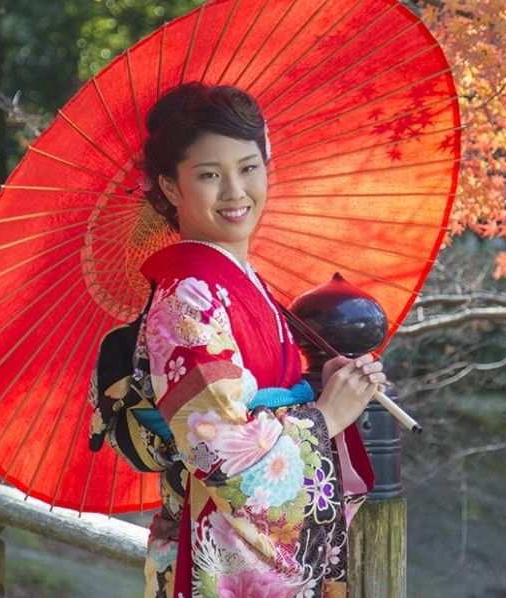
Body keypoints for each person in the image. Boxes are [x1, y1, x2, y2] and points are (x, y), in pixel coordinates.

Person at [133, 82, 384, 597]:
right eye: (208, 175)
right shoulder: (187, 300)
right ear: (171, 186)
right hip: (225, 565)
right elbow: (224, 463)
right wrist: (328, 417)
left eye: (249, 167)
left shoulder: (240, 283)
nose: (235, 191)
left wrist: (324, 388)